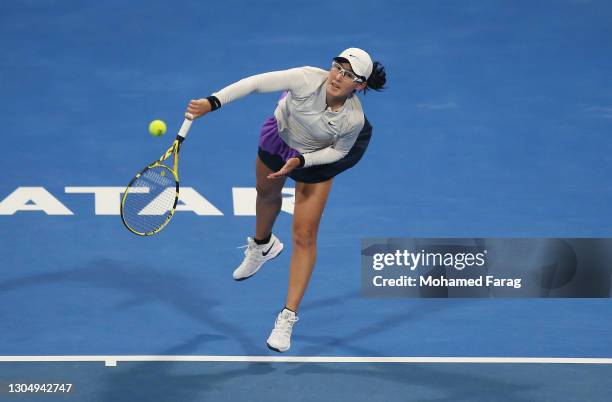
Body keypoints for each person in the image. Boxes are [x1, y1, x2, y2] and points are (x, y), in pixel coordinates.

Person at [185, 48, 386, 352]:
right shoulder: (306, 78)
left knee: (304, 235)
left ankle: (287, 316)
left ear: (359, 85)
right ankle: (263, 246)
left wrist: (303, 162)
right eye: (337, 68)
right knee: (266, 194)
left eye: (348, 75)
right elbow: (255, 83)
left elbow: (339, 153)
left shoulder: (353, 119)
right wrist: (212, 102)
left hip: (314, 158)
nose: (338, 77)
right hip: (279, 136)